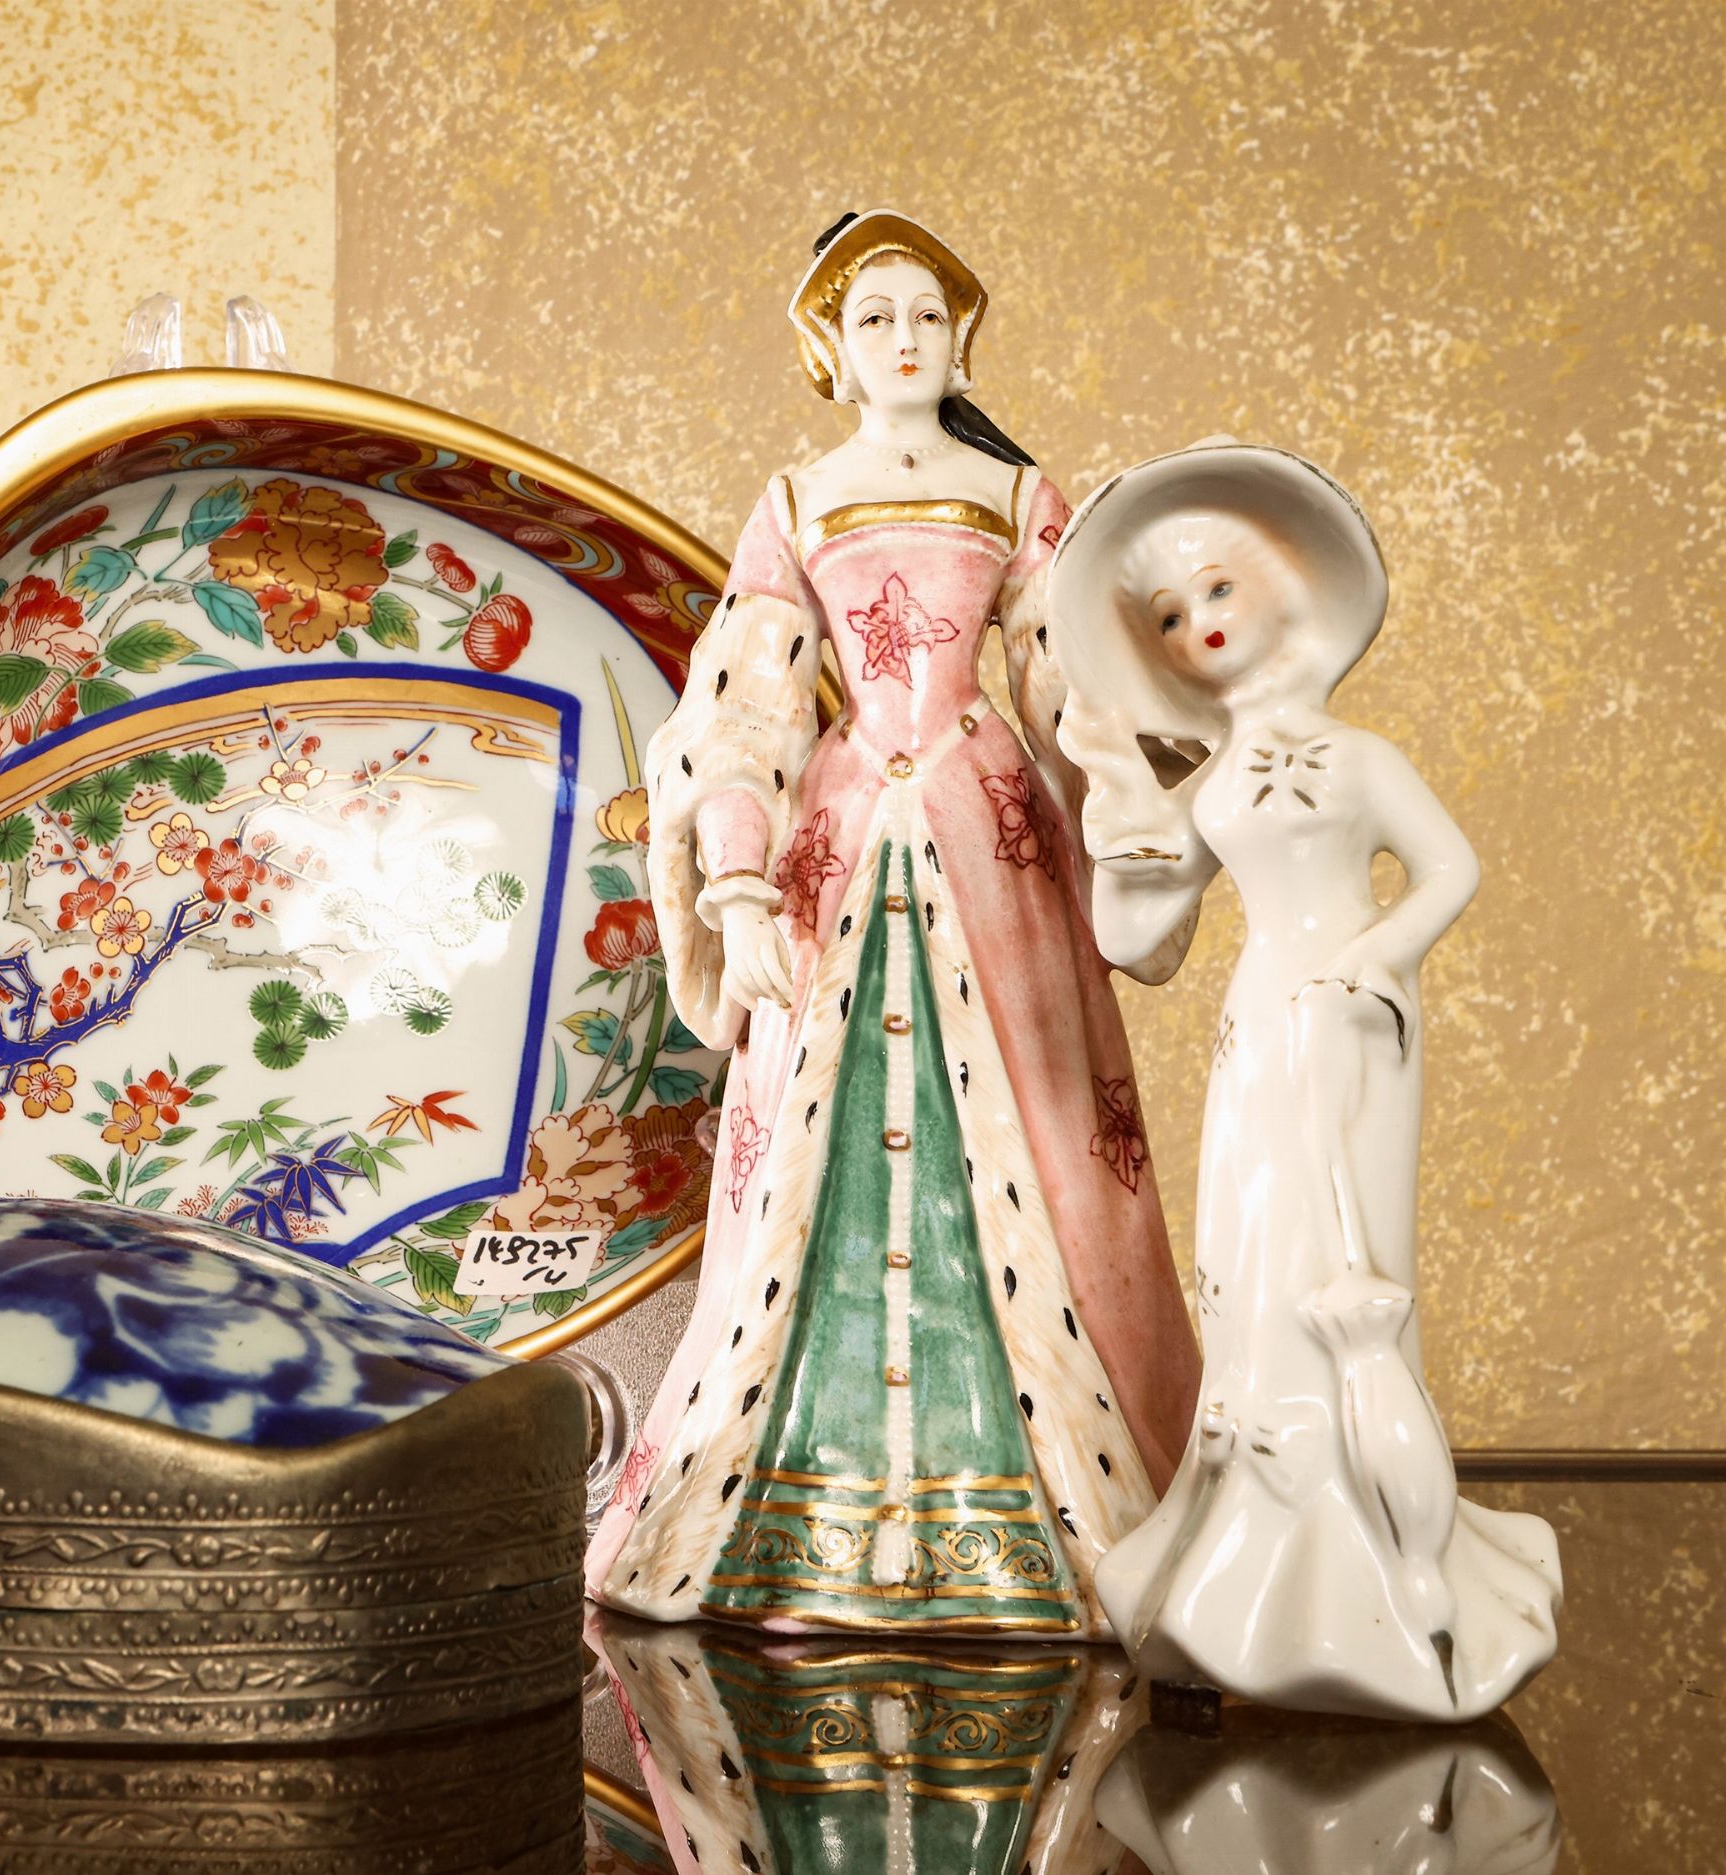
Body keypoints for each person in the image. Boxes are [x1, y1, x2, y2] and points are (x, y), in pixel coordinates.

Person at [584, 211, 1198, 1636]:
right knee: (821, 1137)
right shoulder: (798, 500)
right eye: (875, 318)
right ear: (833, 351)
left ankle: (1056, 1502)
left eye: (927, 314)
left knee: (1039, 1125)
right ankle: (801, 1501)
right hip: (844, 829)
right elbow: (747, 698)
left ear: (961, 339)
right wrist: (739, 880)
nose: (905, 338)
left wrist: (1132, 798)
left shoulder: (1019, 492)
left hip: (989, 830)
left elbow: (1064, 679)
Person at [1051, 439, 1561, 1717]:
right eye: (1171, 616)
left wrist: (1379, 959)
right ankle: (1254, 1531)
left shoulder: (1361, 757)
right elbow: (1132, 934)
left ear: (1278, 589)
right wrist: (1114, 806)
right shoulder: (1214, 779)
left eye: (1217, 590)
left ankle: (1388, 1555)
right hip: (1261, 1024)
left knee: (1349, 1259)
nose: (1199, 625)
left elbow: (1448, 869)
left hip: (1355, 1023)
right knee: (1251, 1242)